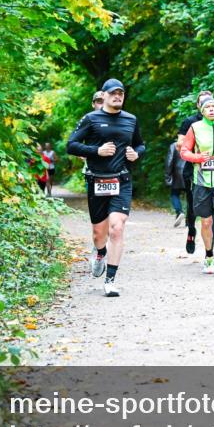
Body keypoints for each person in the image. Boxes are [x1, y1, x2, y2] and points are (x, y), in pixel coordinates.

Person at [67, 79, 145, 296]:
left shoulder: (131, 119)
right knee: (98, 234)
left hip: (122, 180)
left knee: (117, 228)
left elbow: (140, 144)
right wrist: (96, 151)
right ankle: (100, 251)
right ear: (105, 95)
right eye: (113, 93)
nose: (118, 96)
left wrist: (137, 153)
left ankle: (110, 280)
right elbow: (71, 145)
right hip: (97, 180)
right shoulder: (91, 119)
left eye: (121, 93)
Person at [180, 96, 214, 274]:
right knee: (205, 222)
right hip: (201, 181)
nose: (211, 109)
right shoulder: (195, 128)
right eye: (207, 107)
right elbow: (184, 151)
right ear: (202, 111)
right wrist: (197, 158)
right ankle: (209, 257)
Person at [177, 90, 214, 253]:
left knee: (213, 207)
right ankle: (191, 230)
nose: (207, 103)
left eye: (210, 100)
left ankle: (211, 246)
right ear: (198, 105)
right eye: (203, 101)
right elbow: (179, 145)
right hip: (193, 170)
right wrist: (196, 151)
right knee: (193, 207)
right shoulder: (190, 122)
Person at [165, 141, 186, 227]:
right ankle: (190, 219)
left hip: (177, 174)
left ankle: (179, 212)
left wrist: (168, 176)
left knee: (174, 194)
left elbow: (169, 161)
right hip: (189, 173)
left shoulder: (174, 145)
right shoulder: (192, 144)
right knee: (190, 196)